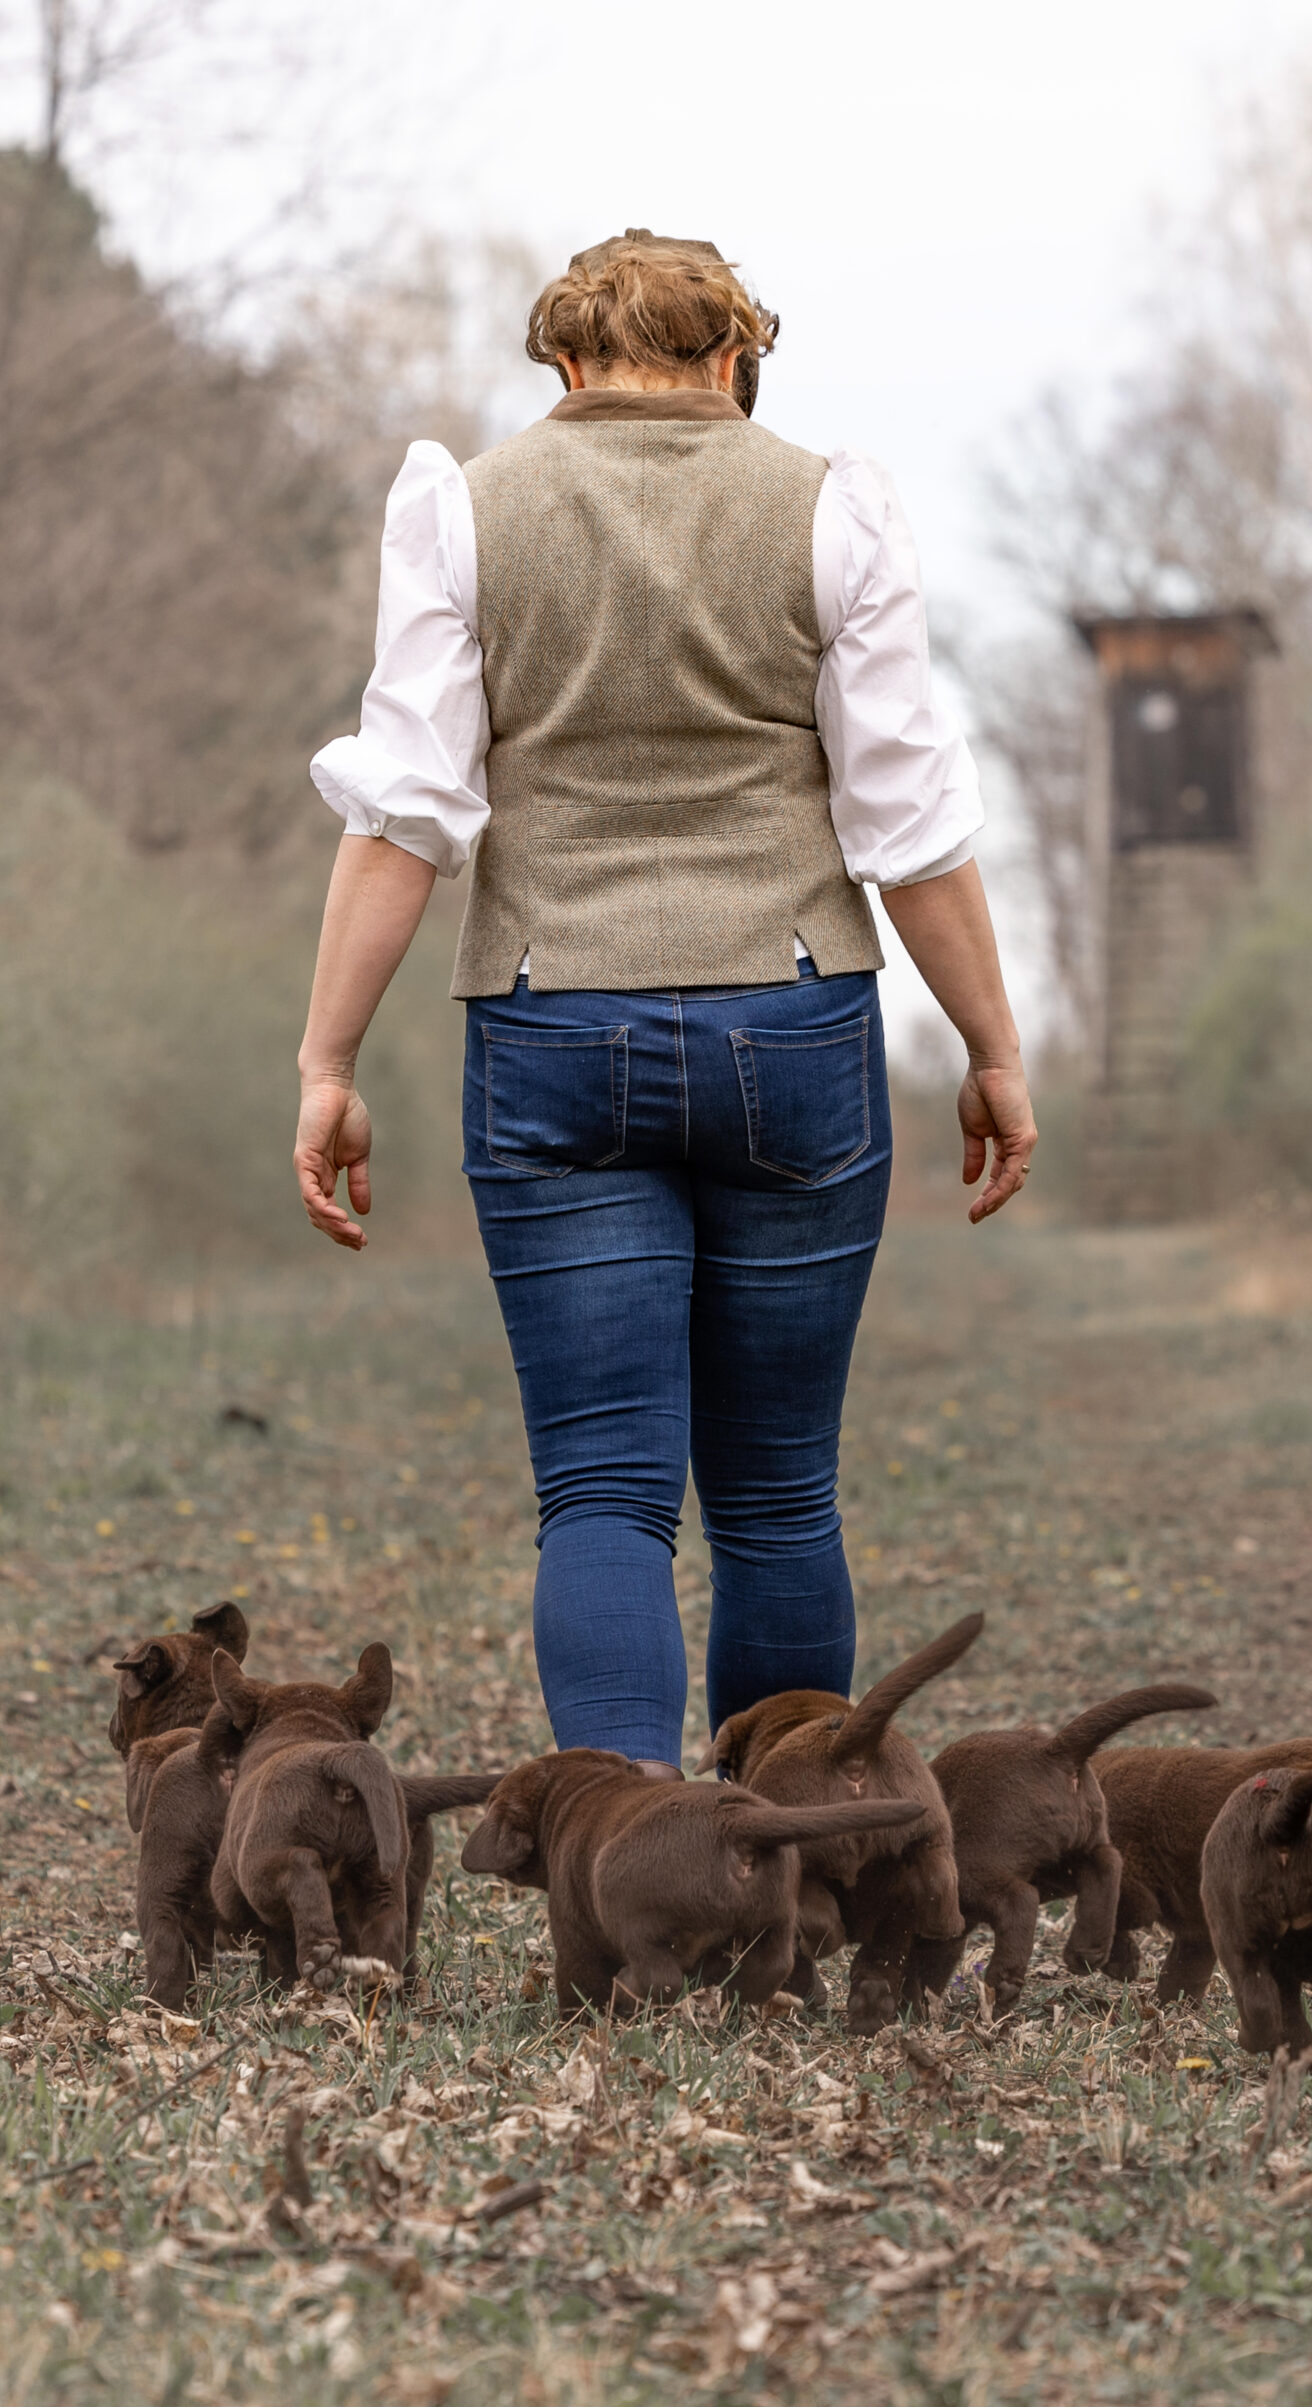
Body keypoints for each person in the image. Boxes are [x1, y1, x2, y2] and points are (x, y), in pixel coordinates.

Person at [298, 229, 1036, 1780]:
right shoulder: (830, 507)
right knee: (776, 1490)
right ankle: (787, 1851)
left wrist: (327, 1060)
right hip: (793, 1024)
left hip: (550, 1026)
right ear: (727, 362)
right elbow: (904, 820)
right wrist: (992, 1045)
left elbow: (408, 815)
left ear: (563, 369)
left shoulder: (466, 513)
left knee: (602, 1493)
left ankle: (626, 1862)